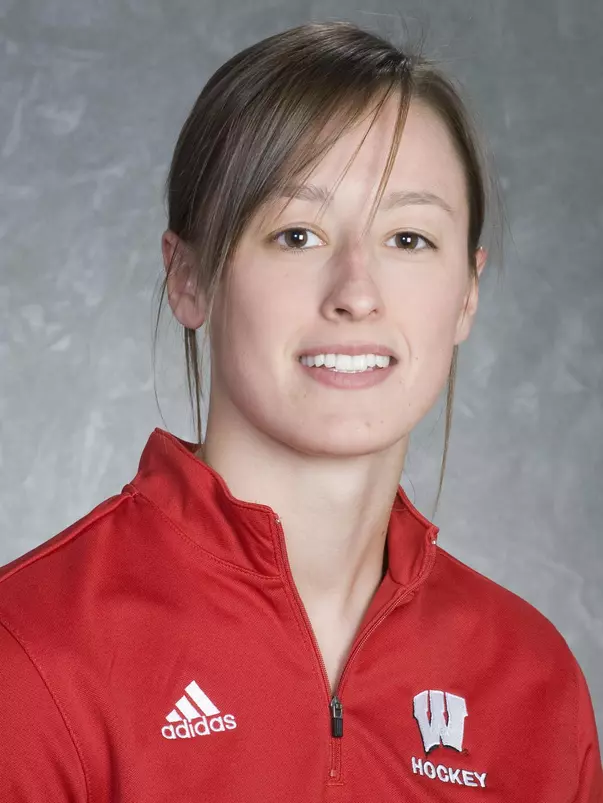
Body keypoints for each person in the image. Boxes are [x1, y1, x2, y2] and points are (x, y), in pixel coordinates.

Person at [0, 19, 601, 802]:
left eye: (409, 238)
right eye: (296, 233)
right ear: (189, 278)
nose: (356, 292)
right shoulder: (33, 652)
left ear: (467, 292)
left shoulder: (532, 682)